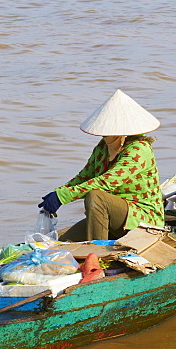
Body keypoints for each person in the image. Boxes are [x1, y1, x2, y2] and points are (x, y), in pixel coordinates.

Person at [38, 90, 164, 242]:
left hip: (142, 219)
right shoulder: (103, 148)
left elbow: (107, 182)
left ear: (121, 132)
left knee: (95, 195)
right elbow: (84, 177)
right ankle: (97, 243)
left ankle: (96, 252)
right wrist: (59, 193)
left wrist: (63, 197)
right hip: (111, 217)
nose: (102, 135)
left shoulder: (139, 149)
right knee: (63, 242)